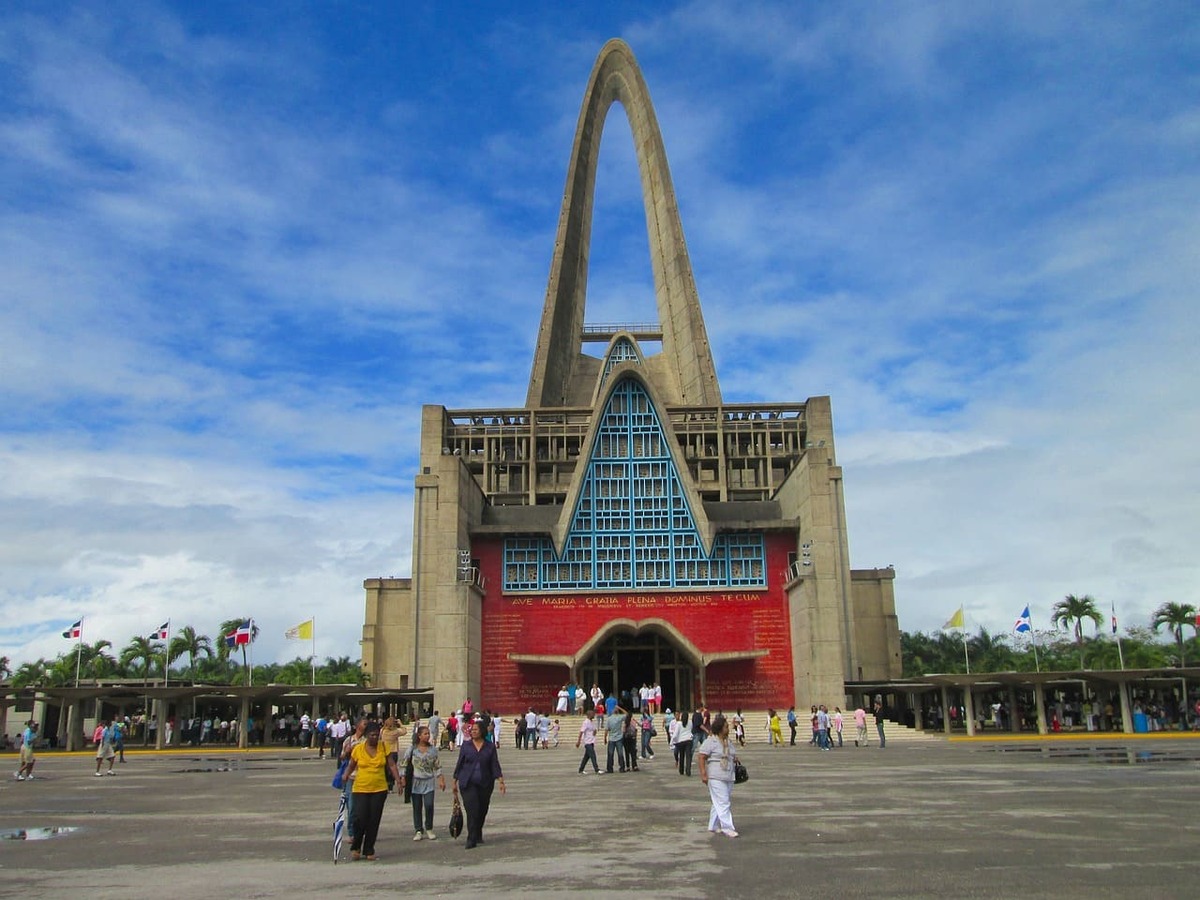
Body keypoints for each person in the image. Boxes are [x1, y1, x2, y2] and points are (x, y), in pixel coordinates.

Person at [342, 720, 400, 861]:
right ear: (367, 735)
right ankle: (356, 846)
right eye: (372, 735)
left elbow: (391, 765)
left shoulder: (384, 747)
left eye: (376, 735)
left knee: (374, 820)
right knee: (360, 818)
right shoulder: (358, 749)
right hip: (361, 788)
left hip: (379, 788)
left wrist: (398, 780)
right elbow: (351, 765)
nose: (374, 738)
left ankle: (369, 848)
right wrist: (345, 776)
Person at [452, 714, 505, 849]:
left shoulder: (490, 747)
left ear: (482, 731)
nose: (473, 732)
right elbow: (460, 763)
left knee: (482, 809)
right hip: (467, 782)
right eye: (472, 730)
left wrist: (500, 780)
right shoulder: (466, 746)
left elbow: (494, 764)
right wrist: (454, 780)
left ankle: (477, 831)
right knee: (472, 809)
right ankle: (471, 838)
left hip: (485, 783)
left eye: (476, 730)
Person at [400, 724, 445, 841]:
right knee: (417, 806)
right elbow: (404, 763)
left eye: (428, 733)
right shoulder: (412, 749)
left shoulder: (433, 750)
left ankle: (429, 827)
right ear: (419, 736)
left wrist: (441, 779)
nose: (427, 736)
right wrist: (402, 777)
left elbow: (437, 765)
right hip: (415, 781)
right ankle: (418, 830)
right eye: (425, 734)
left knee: (429, 805)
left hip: (429, 781)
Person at [697, 714, 739, 838]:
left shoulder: (728, 742)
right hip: (716, 776)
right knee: (724, 801)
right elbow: (701, 756)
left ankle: (713, 825)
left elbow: (731, 754)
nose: (728, 729)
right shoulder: (711, 741)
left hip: (728, 775)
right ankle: (727, 827)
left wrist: (734, 759)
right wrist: (703, 773)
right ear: (720, 729)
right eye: (726, 727)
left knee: (718, 801)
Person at [576, 708, 600, 774]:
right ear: (589, 715)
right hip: (587, 742)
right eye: (593, 714)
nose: (594, 715)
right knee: (593, 755)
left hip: (592, 741)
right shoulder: (586, 722)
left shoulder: (592, 722)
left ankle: (581, 769)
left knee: (586, 757)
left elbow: (594, 731)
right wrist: (578, 741)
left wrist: (595, 732)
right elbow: (581, 732)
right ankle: (596, 769)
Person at [674, 709, 694, 776]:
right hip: (689, 740)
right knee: (688, 756)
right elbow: (691, 730)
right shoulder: (690, 722)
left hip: (681, 741)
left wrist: (674, 741)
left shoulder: (679, 723)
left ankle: (681, 770)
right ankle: (688, 771)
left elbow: (676, 733)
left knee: (681, 756)